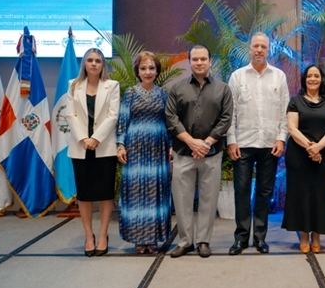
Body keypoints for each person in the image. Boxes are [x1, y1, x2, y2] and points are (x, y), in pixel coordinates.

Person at [165, 45, 233, 258]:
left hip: (211, 153)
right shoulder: (177, 88)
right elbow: (171, 118)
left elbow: (226, 118)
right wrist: (192, 142)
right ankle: (185, 241)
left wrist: (206, 143)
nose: (200, 62)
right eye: (195, 59)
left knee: (208, 199)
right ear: (190, 61)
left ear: (210, 61)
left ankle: (204, 241)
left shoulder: (223, 89)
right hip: (183, 152)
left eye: (203, 59)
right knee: (182, 199)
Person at [227, 32, 289, 255]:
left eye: (263, 46)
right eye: (256, 46)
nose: (260, 50)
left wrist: (282, 138)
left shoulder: (279, 77)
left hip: (269, 145)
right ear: (250, 49)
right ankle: (241, 238)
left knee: (264, 192)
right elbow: (230, 112)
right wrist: (231, 141)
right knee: (242, 191)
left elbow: (285, 111)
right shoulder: (237, 77)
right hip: (242, 143)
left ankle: (260, 238)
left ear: (269, 49)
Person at [116, 51, 172, 255]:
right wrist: (120, 145)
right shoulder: (130, 93)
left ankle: (153, 238)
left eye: (151, 68)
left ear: (157, 71)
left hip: (158, 147)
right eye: (143, 68)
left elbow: (169, 122)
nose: (147, 72)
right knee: (136, 192)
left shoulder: (163, 94)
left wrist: (172, 145)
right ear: (137, 71)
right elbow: (122, 120)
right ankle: (139, 239)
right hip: (135, 147)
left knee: (156, 191)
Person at [67, 48, 120, 257]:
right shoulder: (73, 85)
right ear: (84, 64)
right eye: (90, 60)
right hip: (80, 147)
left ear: (103, 64)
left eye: (98, 60)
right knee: (85, 195)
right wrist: (84, 139)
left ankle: (103, 234)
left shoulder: (112, 85)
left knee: (106, 194)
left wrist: (96, 138)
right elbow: (70, 115)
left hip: (104, 147)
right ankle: (89, 236)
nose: (94, 64)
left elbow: (113, 115)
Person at [281, 65, 325, 254]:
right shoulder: (295, 101)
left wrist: (319, 147)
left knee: (320, 196)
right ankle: (304, 235)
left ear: (322, 79)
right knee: (301, 195)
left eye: (316, 75)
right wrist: (310, 147)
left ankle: (317, 235)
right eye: (309, 76)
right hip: (299, 155)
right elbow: (292, 128)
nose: (313, 79)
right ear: (304, 79)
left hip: (324, 154)